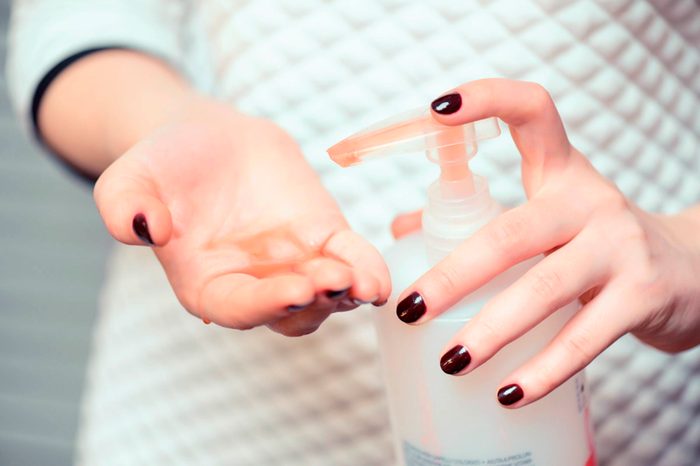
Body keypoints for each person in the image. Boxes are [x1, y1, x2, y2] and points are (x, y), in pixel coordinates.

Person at [7, 0, 700, 464]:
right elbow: (73, 23)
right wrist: (165, 124)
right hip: (201, 421)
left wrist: (685, 253)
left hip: (639, 415)